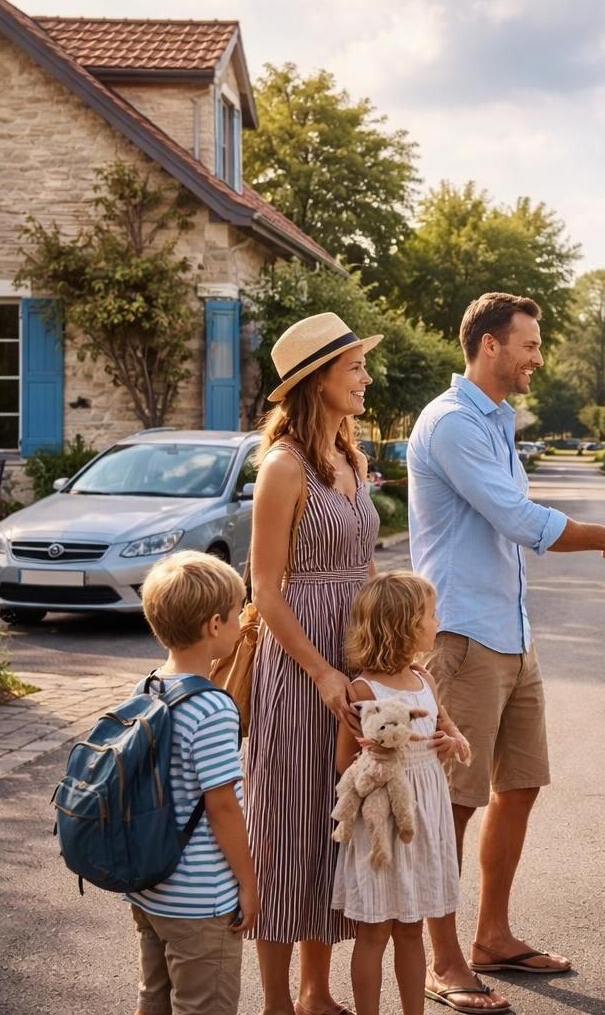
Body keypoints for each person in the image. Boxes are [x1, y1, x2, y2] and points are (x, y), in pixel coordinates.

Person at [408, 292, 605, 1013]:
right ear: (489, 346)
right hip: (461, 637)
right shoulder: (451, 424)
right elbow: (517, 519)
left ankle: (493, 937)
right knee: (453, 800)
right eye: (530, 345)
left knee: (520, 784)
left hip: (510, 632)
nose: (537, 358)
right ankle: (443, 958)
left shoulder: (498, 421)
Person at [247, 311, 382, 1015]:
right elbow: (264, 590)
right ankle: (276, 1001)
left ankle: (315, 993)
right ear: (317, 381)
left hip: (355, 653)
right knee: (287, 822)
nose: (365, 377)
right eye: (354, 367)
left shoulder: (352, 460)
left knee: (336, 821)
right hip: (301, 662)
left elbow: (362, 564)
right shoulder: (283, 466)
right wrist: (321, 670)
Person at [332, 572, 471, 1015]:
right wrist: (372, 756)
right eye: (430, 615)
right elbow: (342, 764)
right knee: (375, 931)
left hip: (424, 817)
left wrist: (451, 743)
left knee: (412, 927)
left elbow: (453, 737)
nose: (437, 621)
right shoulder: (362, 690)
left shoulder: (425, 681)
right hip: (383, 821)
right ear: (406, 625)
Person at [128, 550, 258, 1015]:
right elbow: (222, 806)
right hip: (202, 899)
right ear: (214, 625)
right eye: (240, 611)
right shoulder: (214, 708)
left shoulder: (147, 688)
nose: (246, 622)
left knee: (154, 997)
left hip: (151, 888)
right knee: (204, 1006)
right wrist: (248, 883)